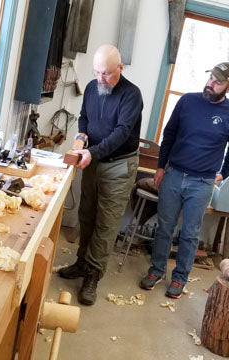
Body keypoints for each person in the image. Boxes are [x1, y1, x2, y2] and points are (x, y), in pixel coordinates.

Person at [139, 62, 229, 298]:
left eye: (218, 82)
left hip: (202, 183)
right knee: (164, 228)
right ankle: (156, 270)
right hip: (174, 175)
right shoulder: (187, 101)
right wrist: (160, 167)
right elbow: (169, 135)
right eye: (210, 78)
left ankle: (179, 279)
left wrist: (224, 173)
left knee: (189, 233)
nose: (210, 84)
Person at [58, 44, 143, 305]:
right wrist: (82, 136)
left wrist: (92, 152)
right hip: (92, 159)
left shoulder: (131, 95)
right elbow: (84, 117)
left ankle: (94, 274)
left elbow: (121, 133)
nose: (100, 79)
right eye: (96, 72)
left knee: (106, 222)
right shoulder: (93, 88)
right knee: (87, 213)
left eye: (106, 74)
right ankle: (82, 262)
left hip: (118, 164)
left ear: (120, 68)